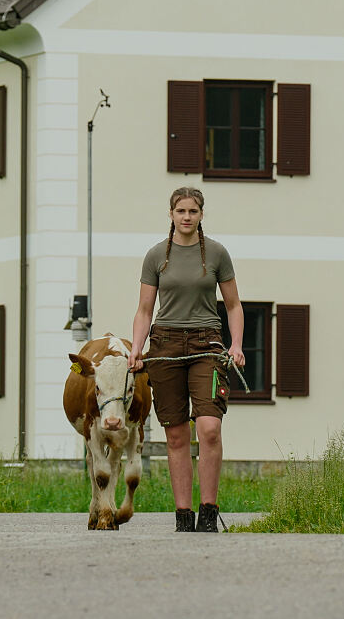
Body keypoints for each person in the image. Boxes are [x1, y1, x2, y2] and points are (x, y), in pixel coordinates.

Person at [130, 186, 245, 533]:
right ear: (171, 214)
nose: (186, 217)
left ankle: (208, 511)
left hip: (205, 343)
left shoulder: (216, 254)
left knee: (209, 428)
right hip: (164, 345)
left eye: (192, 212)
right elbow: (145, 309)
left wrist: (236, 344)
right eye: (180, 211)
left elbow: (234, 305)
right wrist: (137, 347)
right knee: (176, 435)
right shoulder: (155, 257)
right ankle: (183, 517)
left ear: (201, 215)